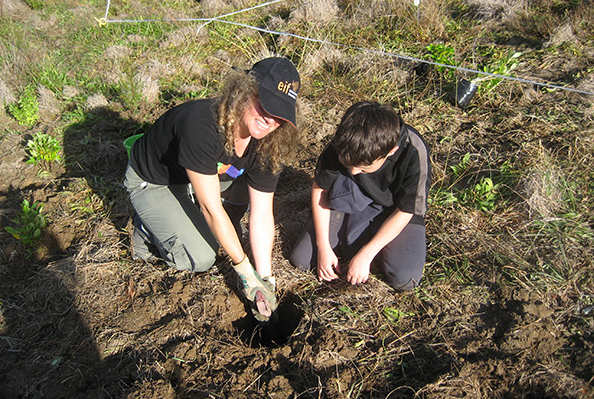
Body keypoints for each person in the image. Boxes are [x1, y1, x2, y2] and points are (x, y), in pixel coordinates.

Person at [124, 57, 301, 321]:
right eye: (264, 105)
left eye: (279, 114)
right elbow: (210, 208)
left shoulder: (269, 144)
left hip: (199, 176)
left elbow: (262, 213)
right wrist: (244, 272)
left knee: (242, 186)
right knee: (202, 257)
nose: (269, 119)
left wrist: (265, 279)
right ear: (243, 92)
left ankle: (191, 213)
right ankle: (147, 228)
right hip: (156, 181)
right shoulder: (203, 125)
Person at [289, 101, 430, 291]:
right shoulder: (346, 140)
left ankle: (368, 244)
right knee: (302, 260)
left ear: (391, 152)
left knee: (405, 279)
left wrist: (367, 254)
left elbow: (406, 210)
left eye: (364, 167)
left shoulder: (413, 150)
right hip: (350, 200)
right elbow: (320, 190)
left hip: (393, 210)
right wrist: (323, 246)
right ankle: (346, 237)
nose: (354, 171)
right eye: (349, 165)